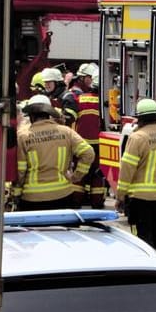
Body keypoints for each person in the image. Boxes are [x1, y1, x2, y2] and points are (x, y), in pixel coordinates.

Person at [13, 95, 95, 210]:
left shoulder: (22, 136)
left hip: (32, 199)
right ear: (49, 113)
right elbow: (88, 153)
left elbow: (20, 171)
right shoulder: (66, 132)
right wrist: (76, 176)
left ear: (31, 115)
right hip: (63, 196)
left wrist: (16, 194)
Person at [116, 98, 156, 251]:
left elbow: (127, 169)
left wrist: (120, 196)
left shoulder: (137, 138)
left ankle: (144, 265)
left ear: (140, 118)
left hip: (139, 196)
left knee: (141, 237)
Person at [62, 64, 106, 206]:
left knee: (80, 173)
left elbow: (70, 119)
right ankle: (97, 202)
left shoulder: (79, 99)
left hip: (81, 144)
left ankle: (76, 201)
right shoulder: (105, 104)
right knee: (97, 175)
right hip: (99, 145)